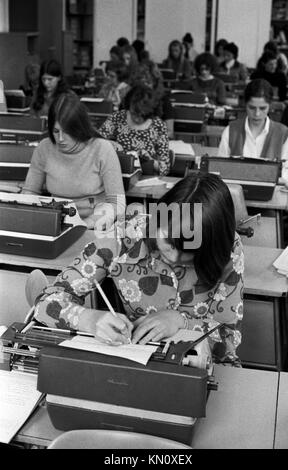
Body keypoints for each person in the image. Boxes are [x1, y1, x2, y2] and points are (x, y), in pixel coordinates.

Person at [32, 173, 244, 365]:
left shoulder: (227, 250)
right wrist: (90, 319)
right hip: (139, 360)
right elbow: (45, 303)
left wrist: (181, 321)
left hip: (200, 367)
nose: (173, 257)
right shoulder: (124, 238)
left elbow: (228, 339)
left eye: (189, 255)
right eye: (169, 243)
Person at [22, 93, 126, 230]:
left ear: (79, 129)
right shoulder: (44, 148)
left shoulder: (102, 148)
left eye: (67, 132)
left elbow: (117, 203)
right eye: (55, 131)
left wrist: (87, 223)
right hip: (55, 223)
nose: (60, 139)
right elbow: (30, 192)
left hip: (94, 225)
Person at [218, 79, 288, 183]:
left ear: (270, 105)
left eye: (262, 108)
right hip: (235, 192)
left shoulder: (283, 134)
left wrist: (280, 177)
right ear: (245, 105)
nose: (257, 114)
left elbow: (287, 172)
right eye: (252, 108)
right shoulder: (231, 130)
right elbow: (220, 168)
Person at [98, 84, 170, 176]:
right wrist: (110, 144)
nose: (136, 119)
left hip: (146, 178)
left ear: (151, 113)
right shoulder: (118, 117)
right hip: (117, 173)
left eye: (142, 116)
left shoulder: (158, 125)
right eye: (133, 114)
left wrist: (151, 160)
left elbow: (165, 168)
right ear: (129, 105)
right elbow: (96, 141)